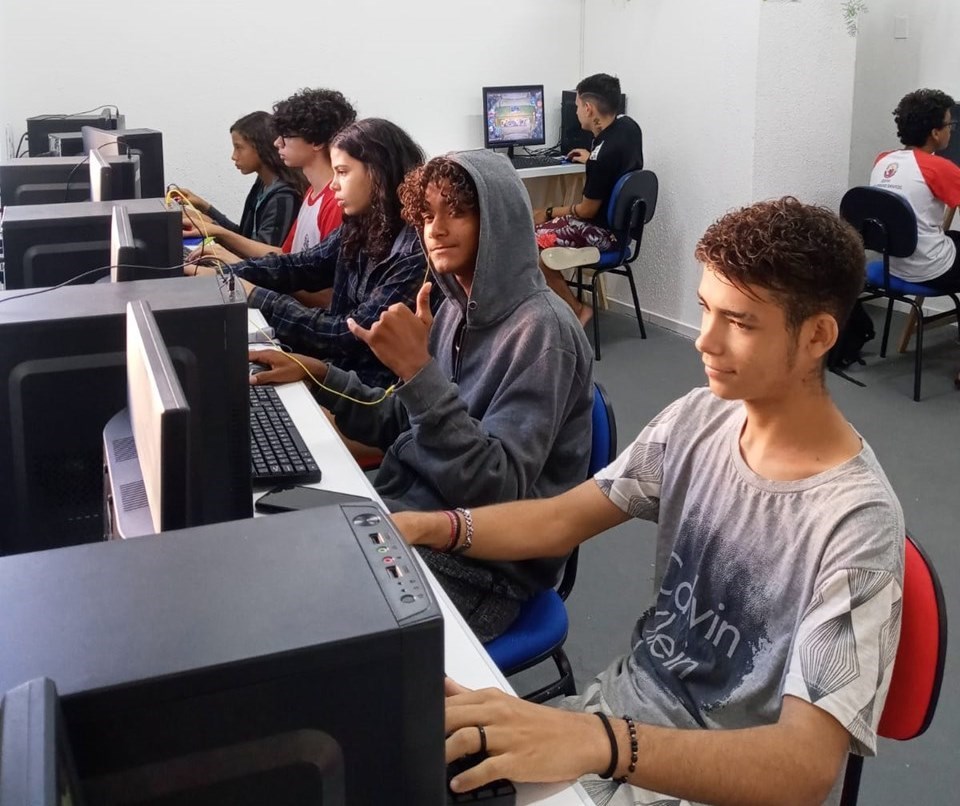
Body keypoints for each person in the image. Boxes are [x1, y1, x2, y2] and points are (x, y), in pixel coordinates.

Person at [394, 198, 905, 806]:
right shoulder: (699, 418)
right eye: (705, 310)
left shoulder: (857, 522)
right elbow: (561, 518)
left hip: (712, 775)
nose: (705, 341)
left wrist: (600, 742)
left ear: (818, 335)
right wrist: (430, 528)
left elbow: (804, 769)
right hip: (618, 725)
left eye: (739, 323)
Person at [250, 150, 595, 641]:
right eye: (428, 215)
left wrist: (417, 370)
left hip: (484, 569)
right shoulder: (454, 307)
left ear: (500, 222)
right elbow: (404, 420)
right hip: (412, 515)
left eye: (458, 212)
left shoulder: (543, 333)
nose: (436, 229)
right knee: (267, 556)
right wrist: (318, 374)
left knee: (296, 624)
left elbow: (497, 490)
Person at [188, 118, 425, 389]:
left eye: (343, 172)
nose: (334, 185)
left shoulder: (412, 255)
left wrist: (252, 294)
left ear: (378, 173)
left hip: (369, 393)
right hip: (337, 374)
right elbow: (300, 266)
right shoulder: (360, 224)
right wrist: (222, 275)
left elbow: (346, 334)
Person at [185, 88, 357, 269]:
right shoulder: (311, 193)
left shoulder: (335, 203)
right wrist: (219, 234)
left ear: (317, 142)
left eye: (286, 136)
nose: (277, 143)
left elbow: (320, 284)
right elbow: (287, 256)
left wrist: (239, 263)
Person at [533, 73, 643, 325]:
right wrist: (591, 159)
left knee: (529, 240)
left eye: (577, 106)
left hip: (604, 235)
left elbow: (585, 211)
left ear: (588, 108)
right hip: (623, 231)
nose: (576, 112)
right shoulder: (629, 127)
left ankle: (576, 309)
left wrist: (546, 212)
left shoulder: (601, 156)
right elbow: (614, 161)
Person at [175, 111, 306, 256]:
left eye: (239, 147)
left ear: (261, 147)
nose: (234, 156)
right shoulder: (262, 185)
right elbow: (243, 237)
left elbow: (265, 257)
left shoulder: (283, 197)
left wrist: (211, 226)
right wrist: (204, 207)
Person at [871, 88, 960, 291]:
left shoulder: (882, 160)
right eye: (949, 125)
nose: (951, 130)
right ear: (935, 133)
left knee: (952, 237)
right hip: (930, 270)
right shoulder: (938, 167)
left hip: (892, 263)